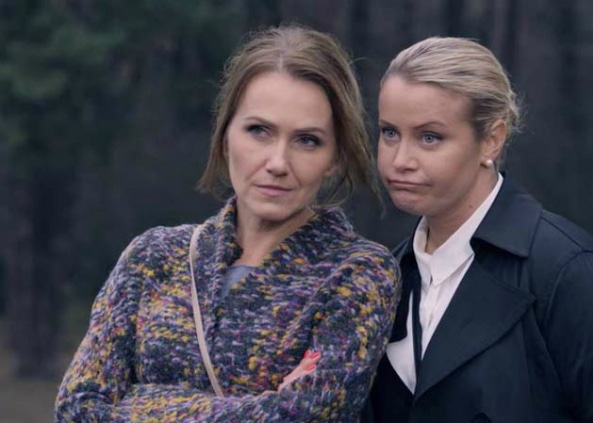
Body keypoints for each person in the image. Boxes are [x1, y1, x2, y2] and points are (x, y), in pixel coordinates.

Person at [55, 25, 401, 422]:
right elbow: (76, 408)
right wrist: (260, 406)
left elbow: (305, 414)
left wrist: (137, 401)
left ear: (335, 158)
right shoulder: (153, 257)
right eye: (259, 131)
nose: (277, 163)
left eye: (307, 140)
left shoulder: (359, 273)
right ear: (225, 137)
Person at [365, 37, 593, 422]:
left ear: (491, 140)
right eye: (390, 132)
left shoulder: (571, 273)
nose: (400, 159)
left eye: (429, 137)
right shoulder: (387, 277)